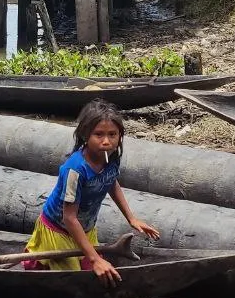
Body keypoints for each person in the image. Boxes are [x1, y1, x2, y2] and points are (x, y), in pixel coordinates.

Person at [23, 99, 160, 285]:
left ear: (120, 135)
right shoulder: (75, 170)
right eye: (99, 135)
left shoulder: (112, 158)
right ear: (86, 135)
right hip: (60, 230)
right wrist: (95, 258)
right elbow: (69, 218)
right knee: (69, 280)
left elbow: (111, 182)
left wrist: (131, 218)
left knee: (90, 272)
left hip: (85, 228)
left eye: (113, 134)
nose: (106, 141)